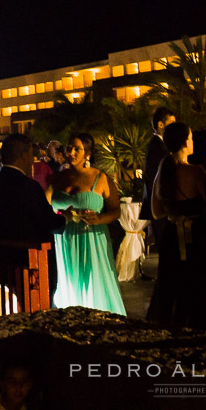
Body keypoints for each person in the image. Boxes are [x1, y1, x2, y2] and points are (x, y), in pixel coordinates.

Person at [146, 121, 206, 330]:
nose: (192, 142)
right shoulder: (196, 172)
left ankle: (172, 324)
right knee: (200, 284)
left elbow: (156, 211)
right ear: (184, 142)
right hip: (196, 235)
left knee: (173, 284)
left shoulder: (163, 171)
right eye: (189, 138)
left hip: (172, 236)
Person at [0, 134, 65, 303]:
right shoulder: (29, 186)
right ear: (24, 155)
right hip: (31, 264)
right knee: (39, 309)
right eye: (31, 156)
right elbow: (49, 222)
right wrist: (65, 218)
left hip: (2, 261)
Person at [45, 133, 126, 314]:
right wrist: (59, 213)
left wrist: (98, 219)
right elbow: (44, 206)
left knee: (92, 283)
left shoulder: (101, 178)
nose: (71, 152)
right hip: (64, 240)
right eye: (69, 148)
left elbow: (115, 211)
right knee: (69, 283)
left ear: (88, 153)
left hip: (92, 239)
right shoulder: (57, 179)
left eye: (77, 149)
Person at [140, 106, 176, 246]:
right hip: (159, 207)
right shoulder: (156, 147)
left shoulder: (160, 145)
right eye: (171, 123)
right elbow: (155, 178)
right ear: (161, 124)